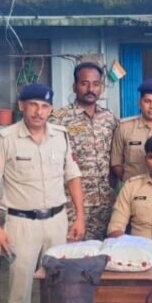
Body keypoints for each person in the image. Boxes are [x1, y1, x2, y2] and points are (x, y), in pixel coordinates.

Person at [0, 82, 85, 303]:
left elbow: (72, 176)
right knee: (20, 290)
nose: (39, 112)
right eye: (33, 105)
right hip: (21, 224)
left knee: (58, 285)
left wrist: (80, 217)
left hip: (57, 221)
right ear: (22, 106)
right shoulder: (4, 139)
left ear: (51, 109)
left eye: (45, 106)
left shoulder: (61, 136)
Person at [51, 62, 118, 240]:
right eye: (84, 83)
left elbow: (115, 157)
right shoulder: (59, 119)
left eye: (96, 84)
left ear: (102, 87)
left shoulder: (109, 118)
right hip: (72, 205)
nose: (90, 89)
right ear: (75, 86)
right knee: (72, 252)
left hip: (105, 204)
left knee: (103, 253)